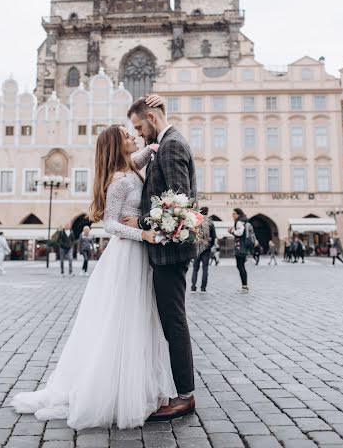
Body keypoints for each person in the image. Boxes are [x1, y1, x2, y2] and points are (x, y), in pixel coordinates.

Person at [11, 95, 177, 430]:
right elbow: (110, 225)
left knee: (140, 317)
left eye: (133, 132)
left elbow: (152, 148)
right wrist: (144, 235)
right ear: (118, 145)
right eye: (127, 135)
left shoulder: (133, 166)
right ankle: (112, 389)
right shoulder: (119, 179)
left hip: (136, 256)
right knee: (123, 319)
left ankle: (134, 383)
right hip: (126, 255)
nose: (134, 135)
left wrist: (160, 118)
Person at [123, 96, 204, 421]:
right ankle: (177, 388)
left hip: (170, 253)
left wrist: (140, 223)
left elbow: (178, 203)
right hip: (167, 251)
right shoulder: (166, 141)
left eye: (139, 126)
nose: (139, 134)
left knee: (174, 321)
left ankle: (185, 395)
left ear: (153, 118)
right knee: (171, 321)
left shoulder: (170, 145)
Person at [191, 207, 216, 293]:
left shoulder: (197, 221)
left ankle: (193, 288)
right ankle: (203, 288)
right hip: (206, 249)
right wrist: (209, 245)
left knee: (195, 269)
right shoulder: (210, 222)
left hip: (197, 248)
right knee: (205, 269)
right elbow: (214, 237)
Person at [228, 208, 252, 293]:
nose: (233, 215)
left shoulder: (239, 222)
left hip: (240, 247)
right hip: (244, 246)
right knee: (241, 266)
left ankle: (244, 286)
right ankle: (244, 286)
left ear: (238, 214)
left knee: (240, 266)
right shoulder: (245, 221)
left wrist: (232, 231)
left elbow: (239, 233)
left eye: (234, 213)